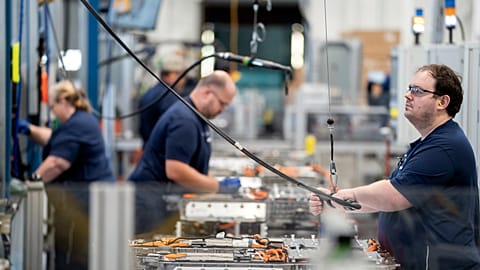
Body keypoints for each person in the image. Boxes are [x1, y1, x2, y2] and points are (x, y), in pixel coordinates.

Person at [309, 64, 480, 269]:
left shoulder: (444, 147)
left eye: (417, 91)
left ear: (442, 102)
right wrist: (332, 201)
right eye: (409, 88)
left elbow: (393, 196)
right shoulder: (426, 144)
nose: (408, 95)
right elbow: (382, 201)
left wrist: (346, 194)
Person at [129, 70, 241, 234]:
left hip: (162, 202)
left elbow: (194, 165)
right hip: (151, 204)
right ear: (207, 93)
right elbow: (176, 171)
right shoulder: (184, 120)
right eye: (222, 103)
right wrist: (218, 187)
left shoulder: (196, 117)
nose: (223, 110)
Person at [18, 80, 114, 270]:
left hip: (84, 204)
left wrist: (30, 184)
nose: (52, 112)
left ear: (63, 101)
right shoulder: (80, 121)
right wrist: (28, 129)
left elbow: (58, 162)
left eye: (53, 106)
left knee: (74, 256)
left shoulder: (77, 124)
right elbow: (54, 138)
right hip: (86, 201)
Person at [138, 54, 188, 146]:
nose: (184, 80)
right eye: (181, 75)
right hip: (161, 152)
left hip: (149, 147)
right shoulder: (168, 96)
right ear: (171, 74)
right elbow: (173, 126)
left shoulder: (152, 91)